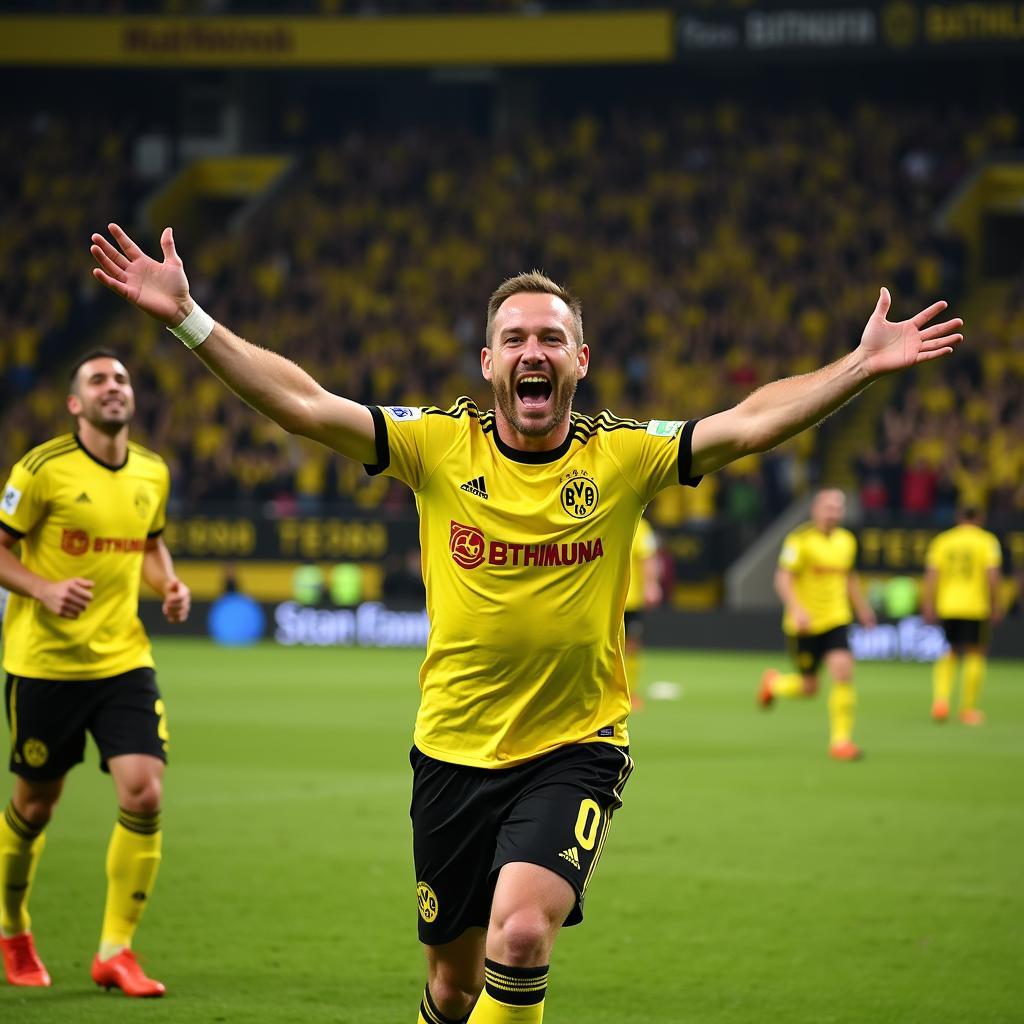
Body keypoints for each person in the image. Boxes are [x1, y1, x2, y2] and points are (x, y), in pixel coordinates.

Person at [90, 222, 962, 1023]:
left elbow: (747, 424)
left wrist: (856, 366)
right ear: (486, 361)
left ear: (581, 359)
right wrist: (191, 320)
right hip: (450, 753)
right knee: (453, 984)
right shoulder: (436, 445)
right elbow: (308, 406)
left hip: (574, 750)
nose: (532, 352)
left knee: (521, 939)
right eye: (515, 339)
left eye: (550, 338)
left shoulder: (621, 454)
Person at [0, 350, 191, 997]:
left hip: (122, 660)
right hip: (45, 664)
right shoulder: (43, 469)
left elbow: (149, 542)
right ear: (76, 404)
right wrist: (44, 589)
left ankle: (116, 950)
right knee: (35, 804)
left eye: (122, 379)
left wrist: (168, 584)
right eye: (99, 381)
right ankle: (12, 927)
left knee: (144, 791)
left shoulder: (152, 470)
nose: (115, 388)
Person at [758, 488, 877, 761]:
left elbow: (849, 577)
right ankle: (773, 684)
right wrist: (797, 609)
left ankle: (841, 742)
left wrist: (863, 609)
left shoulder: (847, 541)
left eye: (838, 507)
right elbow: (783, 579)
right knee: (809, 688)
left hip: (837, 618)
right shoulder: (800, 541)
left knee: (843, 673)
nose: (833, 512)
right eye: (829, 507)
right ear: (816, 510)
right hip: (804, 624)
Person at [921, 507, 1003, 725]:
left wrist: (928, 603)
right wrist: (996, 603)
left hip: (948, 605)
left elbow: (932, 574)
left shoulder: (943, 540)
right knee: (975, 653)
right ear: (980, 518)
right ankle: (968, 709)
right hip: (975, 606)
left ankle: (940, 701)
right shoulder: (986, 541)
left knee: (949, 651)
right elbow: (992, 575)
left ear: (958, 518)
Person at [624, 517, 661, 711]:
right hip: (608, 599)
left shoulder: (641, 525)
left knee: (631, 646)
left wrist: (651, 585)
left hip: (631, 599)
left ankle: (629, 693)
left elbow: (647, 557)